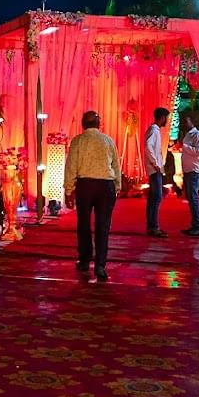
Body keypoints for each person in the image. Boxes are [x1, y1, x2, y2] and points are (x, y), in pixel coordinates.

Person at [63, 110, 122, 282]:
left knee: (83, 224)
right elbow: (116, 166)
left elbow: (71, 166)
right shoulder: (108, 140)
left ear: (83, 124)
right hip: (106, 185)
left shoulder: (78, 141)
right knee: (103, 226)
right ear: (99, 124)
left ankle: (84, 259)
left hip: (85, 185)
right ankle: (100, 265)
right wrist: (117, 186)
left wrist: (68, 190)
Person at [143, 108, 170, 238]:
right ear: (162, 117)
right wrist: (155, 164)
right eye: (166, 118)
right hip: (155, 169)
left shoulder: (154, 130)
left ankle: (152, 226)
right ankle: (153, 226)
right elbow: (148, 147)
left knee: (154, 198)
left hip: (155, 168)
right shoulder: (154, 130)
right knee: (156, 197)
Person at [180, 116, 199, 237]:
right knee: (191, 199)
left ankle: (198, 226)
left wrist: (184, 147)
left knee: (193, 198)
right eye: (183, 122)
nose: (184, 124)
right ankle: (195, 225)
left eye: (187, 121)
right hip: (188, 170)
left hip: (194, 170)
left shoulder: (197, 135)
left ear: (192, 122)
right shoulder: (188, 135)